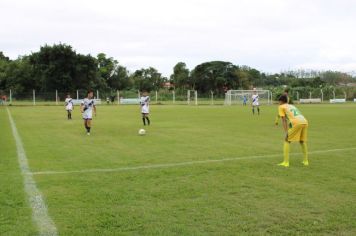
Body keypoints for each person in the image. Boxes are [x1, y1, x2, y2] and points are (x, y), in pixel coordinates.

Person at [277, 94, 309, 167]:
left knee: (287, 140)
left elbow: (284, 120)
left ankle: (286, 162)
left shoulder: (281, 107)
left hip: (296, 123)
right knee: (302, 141)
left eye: (279, 101)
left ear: (281, 101)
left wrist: (286, 132)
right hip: (304, 121)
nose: (278, 103)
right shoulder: (291, 105)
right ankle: (306, 161)